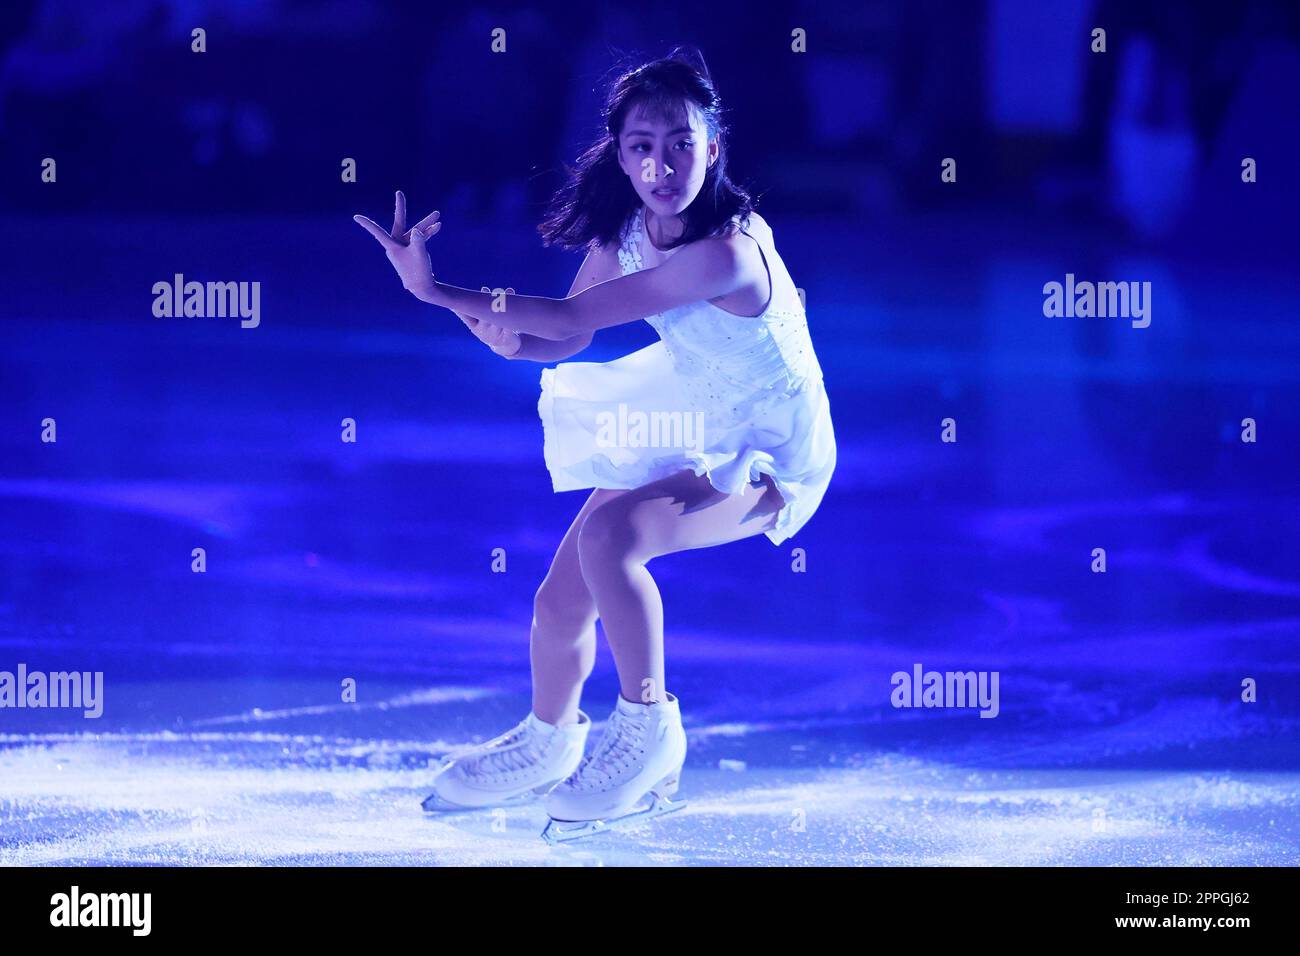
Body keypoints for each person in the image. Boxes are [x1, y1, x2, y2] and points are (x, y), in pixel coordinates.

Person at [354, 47, 835, 838]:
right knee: (559, 598)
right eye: (642, 146)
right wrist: (496, 332)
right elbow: (555, 339)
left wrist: (434, 290)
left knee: (611, 540)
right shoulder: (632, 231)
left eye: (680, 141)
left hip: (772, 453)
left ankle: (649, 733)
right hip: (695, 422)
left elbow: (572, 319)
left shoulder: (725, 252)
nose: (662, 164)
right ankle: (549, 740)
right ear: (621, 153)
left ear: (713, 143)